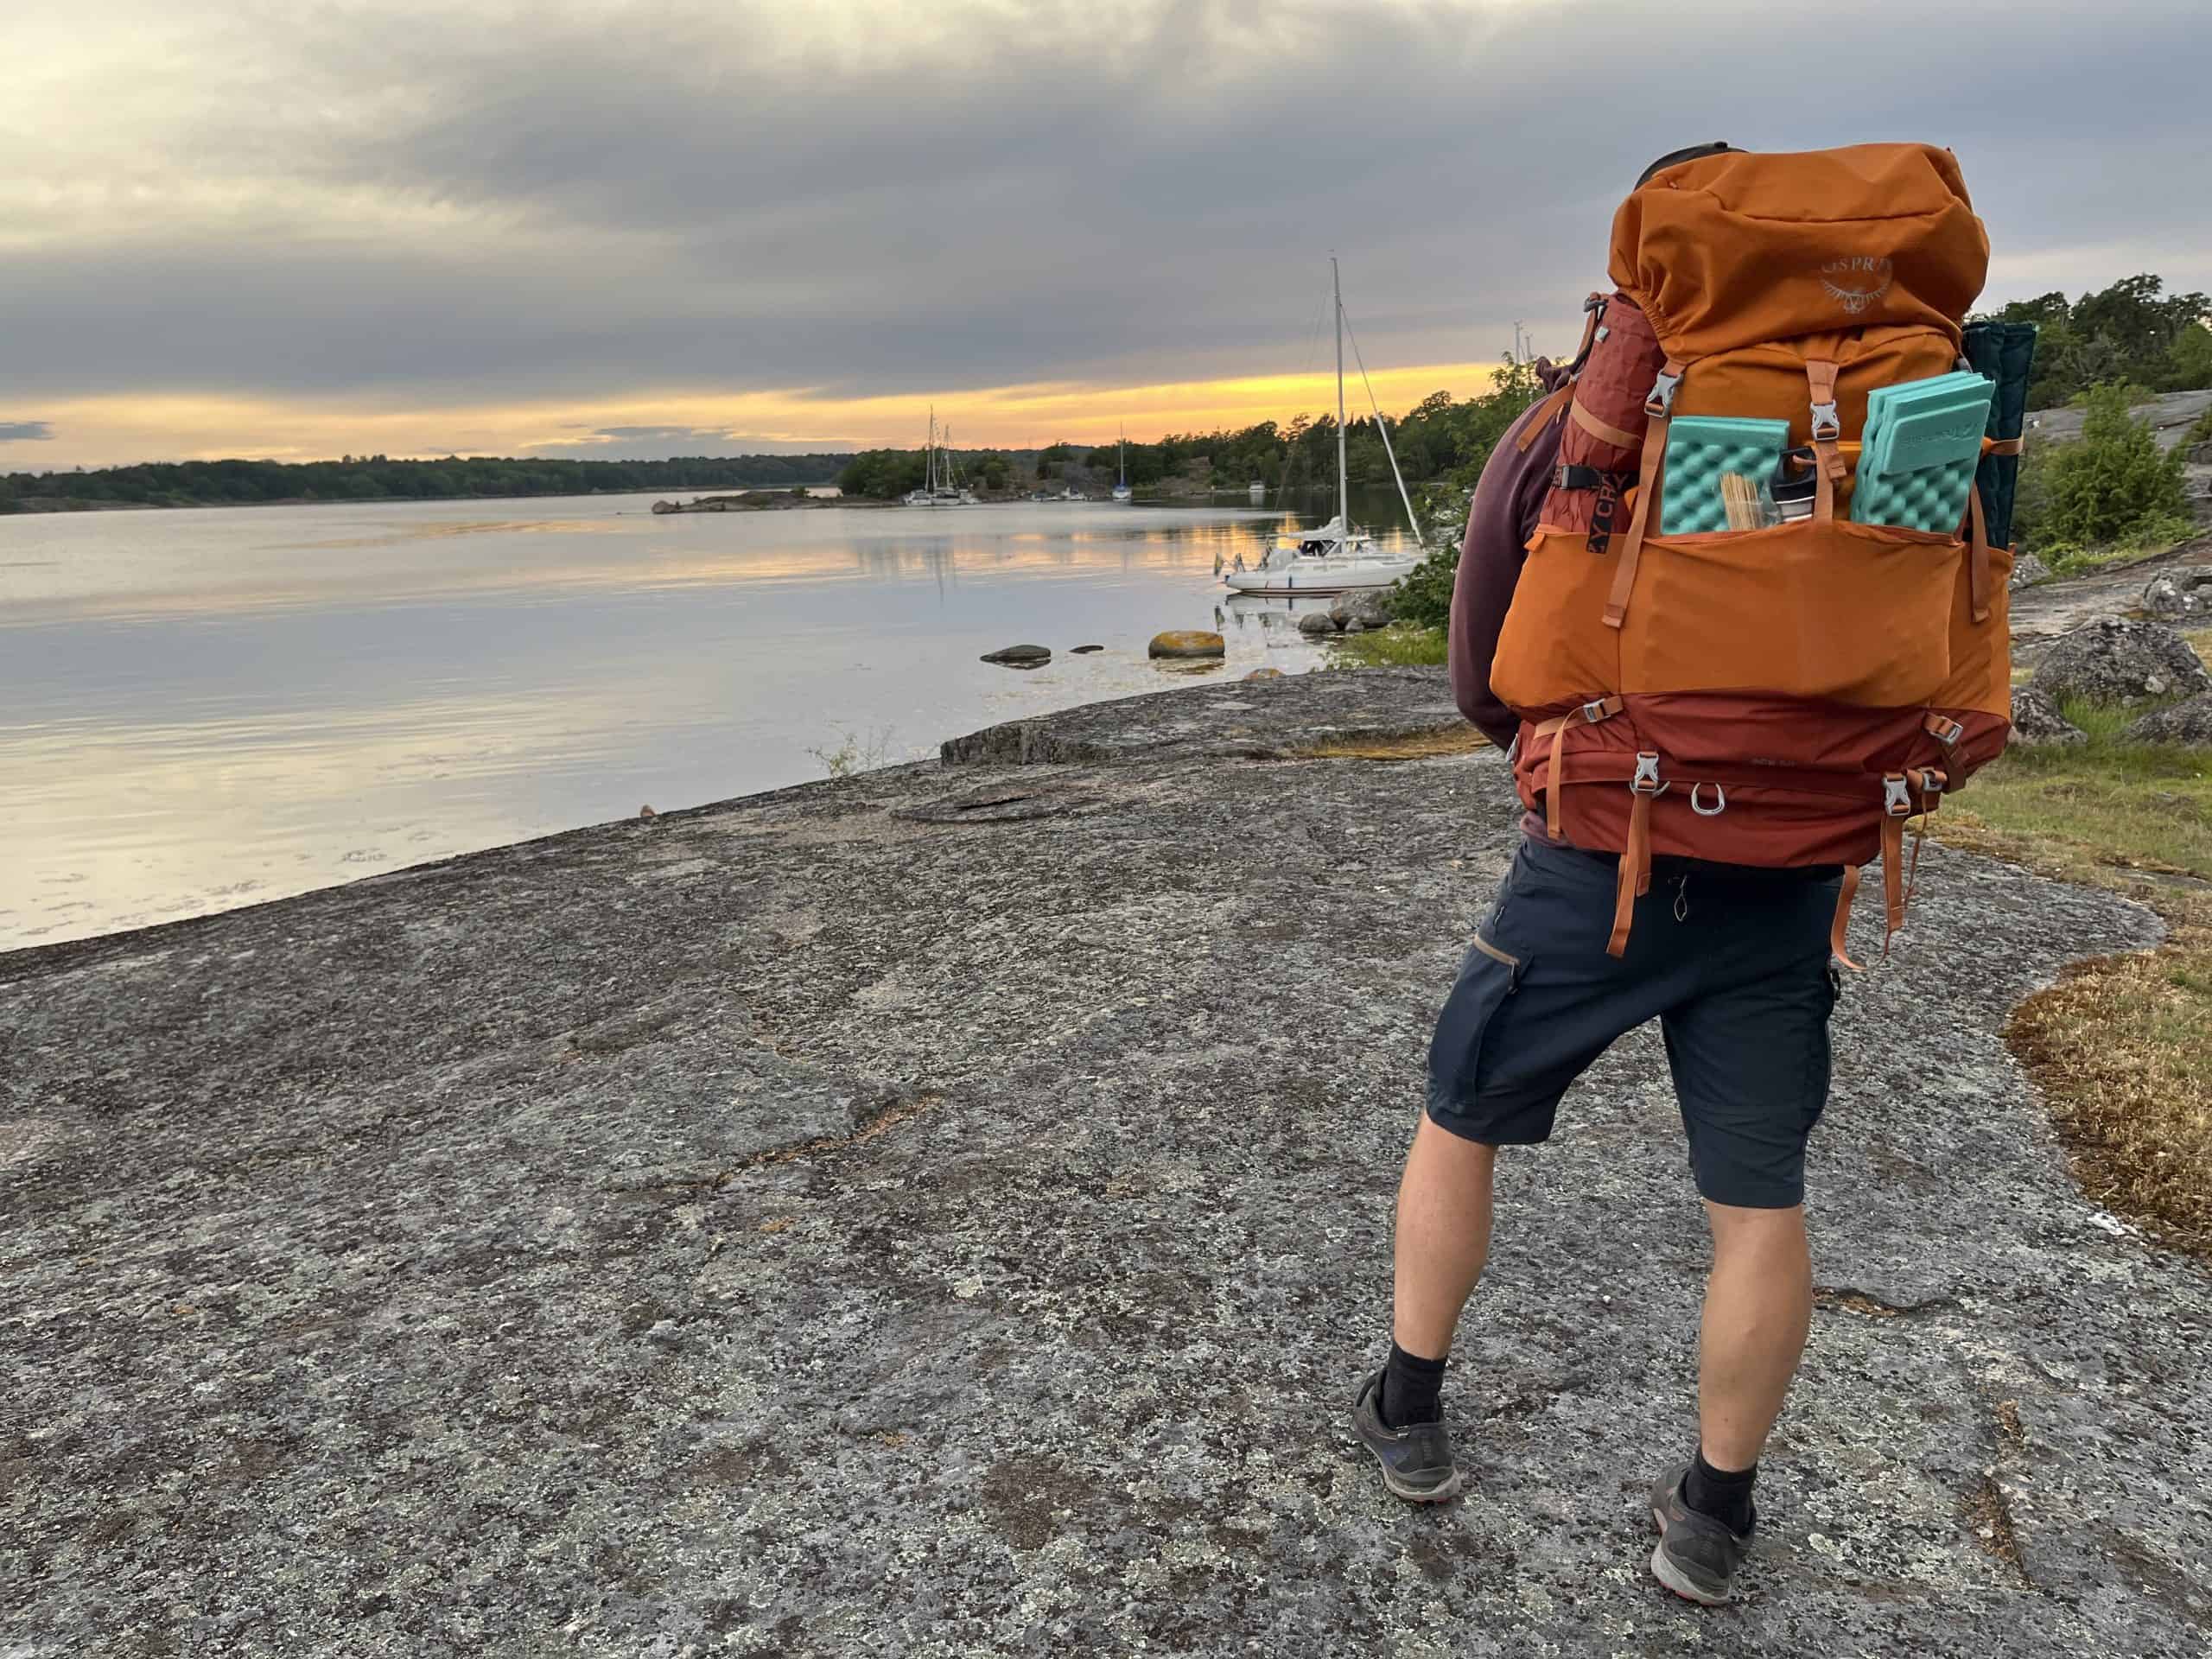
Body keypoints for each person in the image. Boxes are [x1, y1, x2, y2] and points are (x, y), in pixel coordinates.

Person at [1349, 149, 1844, 1607]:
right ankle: (1713, 1518)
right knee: (1761, 1203)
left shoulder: (1588, 421)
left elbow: (1482, 673)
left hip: (1600, 858)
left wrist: (1586, 753)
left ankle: (1411, 1410)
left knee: (1462, 1112)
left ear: (1648, 255)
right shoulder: (1871, 420)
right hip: (1791, 870)